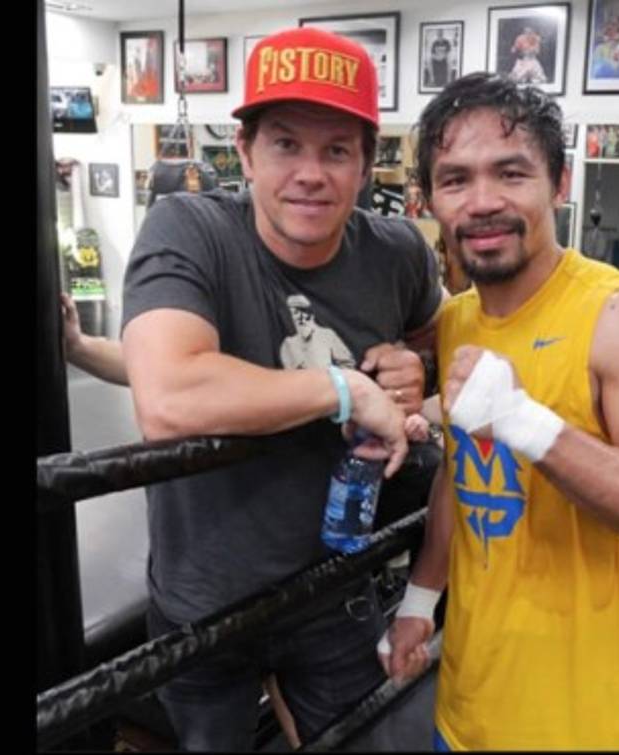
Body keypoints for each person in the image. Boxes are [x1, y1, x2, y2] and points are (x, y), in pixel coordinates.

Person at [118, 27, 447, 751]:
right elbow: (169, 394)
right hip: (205, 601)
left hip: (335, 590)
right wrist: (346, 391)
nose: (310, 173)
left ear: (366, 166)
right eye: (285, 144)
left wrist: (413, 371)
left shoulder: (396, 253)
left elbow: (443, 346)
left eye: (336, 151)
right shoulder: (189, 229)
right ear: (244, 152)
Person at [378, 72, 619, 750]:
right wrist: (421, 597)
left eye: (511, 173)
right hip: (466, 706)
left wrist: (525, 420)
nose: (482, 202)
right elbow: (461, 469)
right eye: (455, 180)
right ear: (430, 199)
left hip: (579, 725)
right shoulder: (458, 320)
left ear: (557, 183)